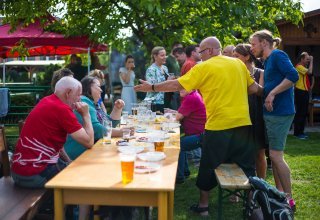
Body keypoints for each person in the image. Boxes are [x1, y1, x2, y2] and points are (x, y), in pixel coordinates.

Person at [135, 36, 263, 216]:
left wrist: (153, 87)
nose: (199, 56)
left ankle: (204, 206)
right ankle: (249, 205)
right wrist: (269, 93)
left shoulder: (203, 67)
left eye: (201, 52)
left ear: (210, 50)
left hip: (218, 125)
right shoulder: (238, 64)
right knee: (246, 166)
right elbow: (253, 88)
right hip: (243, 123)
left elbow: (177, 84)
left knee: (208, 165)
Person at [11, 76, 94, 188]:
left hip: (19, 172)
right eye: (78, 95)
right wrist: (86, 115)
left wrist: (68, 161)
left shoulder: (47, 101)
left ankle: (68, 205)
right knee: (83, 178)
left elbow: (55, 145)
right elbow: (89, 142)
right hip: (34, 174)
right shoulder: (62, 109)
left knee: (74, 168)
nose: (80, 99)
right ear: (68, 93)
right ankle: (69, 205)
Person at [250, 29, 299, 211]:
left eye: (254, 44)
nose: (251, 47)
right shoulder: (268, 60)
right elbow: (269, 85)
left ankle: (289, 201)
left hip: (280, 113)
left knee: (277, 156)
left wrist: (272, 93)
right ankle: (280, 194)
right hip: (272, 113)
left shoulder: (278, 55)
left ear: (264, 43)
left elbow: (293, 76)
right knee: (275, 156)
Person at [64, 76, 126, 160]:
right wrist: (122, 132)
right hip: (79, 155)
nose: (101, 90)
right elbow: (98, 130)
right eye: (98, 86)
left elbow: (109, 125)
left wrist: (117, 109)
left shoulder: (94, 104)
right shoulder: (83, 101)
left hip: (90, 151)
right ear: (88, 87)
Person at [233, 43, 268, 179]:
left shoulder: (261, 72)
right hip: (240, 116)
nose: (234, 59)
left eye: (237, 56)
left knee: (260, 154)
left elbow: (262, 92)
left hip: (257, 116)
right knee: (238, 152)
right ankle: (236, 188)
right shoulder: (235, 73)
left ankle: (261, 185)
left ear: (247, 57)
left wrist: (252, 84)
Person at [174, 89, 206, 184]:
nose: (181, 88)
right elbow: (181, 113)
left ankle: (179, 177)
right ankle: (185, 172)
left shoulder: (191, 98)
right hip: (202, 133)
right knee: (180, 144)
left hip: (201, 136)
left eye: (185, 86)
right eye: (180, 86)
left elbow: (177, 117)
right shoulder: (193, 95)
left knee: (177, 146)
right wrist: (173, 112)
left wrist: (171, 114)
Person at [144, 46, 172, 113]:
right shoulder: (151, 70)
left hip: (165, 101)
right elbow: (151, 87)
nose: (165, 57)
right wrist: (167, 82)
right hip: (154, 102)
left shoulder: (165, 68)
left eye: (165, 55)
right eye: (162, 55)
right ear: (155, 56)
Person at [294, 52, 313, 139]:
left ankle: (301, 132)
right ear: (302, 59)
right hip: (300, 91)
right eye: (307, 59)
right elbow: (310, 72)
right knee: (300, 112)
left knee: (303, 112)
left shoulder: (303, 67)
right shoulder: (299, 66)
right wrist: (312, 61)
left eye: (309, 59)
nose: (308, 61)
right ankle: (298, 133)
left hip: (304, 91)